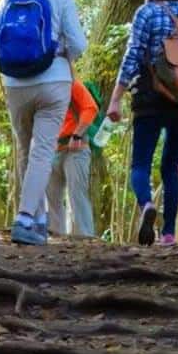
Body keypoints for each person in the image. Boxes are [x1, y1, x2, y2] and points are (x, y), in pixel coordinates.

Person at [0, 0, 88, 246]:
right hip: (53, 82)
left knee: (25, 151)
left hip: (14, 85)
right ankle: (25, 218)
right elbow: (79, 45)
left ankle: (39, 222)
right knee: (42, 151)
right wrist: (59, 48)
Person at [104, 0, 178, 248]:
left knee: (140, 163)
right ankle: (170, 234)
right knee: (171, 164)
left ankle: (147, 204)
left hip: (149, 96)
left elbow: (132, 56)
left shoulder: (146, 13)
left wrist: (115, 100)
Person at [47, 79, 102, 237]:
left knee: (77, 193)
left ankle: (84, 236)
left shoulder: (71, 84)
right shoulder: (41, 88)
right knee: (52, 194)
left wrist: (77, 134)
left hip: (76, 148)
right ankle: (56, 234)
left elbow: (90, 108)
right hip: (52, 148)